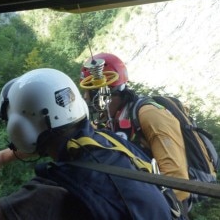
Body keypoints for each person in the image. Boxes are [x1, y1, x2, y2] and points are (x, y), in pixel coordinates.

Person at [0, 68, 179, 220]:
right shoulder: (107, 142)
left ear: (19, 128)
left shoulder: (56, 191)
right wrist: (4, 156)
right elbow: (47, 136)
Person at [80, 52, 190, 216]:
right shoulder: (110, 120)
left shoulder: (150, 114)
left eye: (89, 93)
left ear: (104, 93)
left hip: (164, 208)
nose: (86, 98)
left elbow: (177, 183)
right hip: (137, 201)